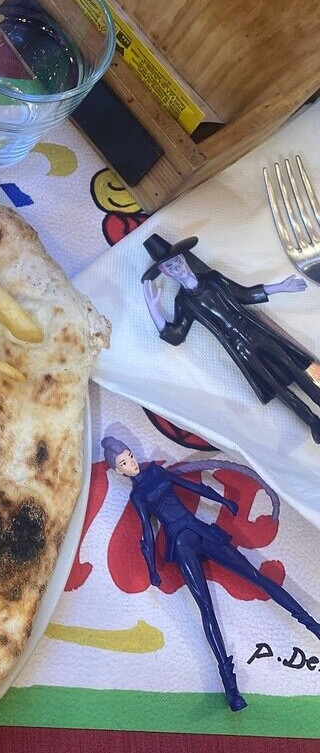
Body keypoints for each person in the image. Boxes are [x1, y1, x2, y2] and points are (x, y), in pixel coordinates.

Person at [102, 435, 320, 711]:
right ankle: (230, 686)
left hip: (200, 531)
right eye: (124, 463)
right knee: (206, 609)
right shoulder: (138, 496)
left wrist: (222, 501)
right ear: (119, 471)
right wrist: (152, 569)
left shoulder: (157, 472)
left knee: (254, 576)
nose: (131, 463)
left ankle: (313, 626)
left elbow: (190, 486)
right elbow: (147, 532)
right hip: (181, 547)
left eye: (130, 456)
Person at [141, 234, 320, 442]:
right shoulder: (183, 302)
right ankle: (312, 422)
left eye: (177, 262)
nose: (177, 269)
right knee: (276, 387)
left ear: (184, 258)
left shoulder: (213, 279)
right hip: (239, 347)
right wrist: (153, 308)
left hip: (257, 333)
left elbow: (244, 295)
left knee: (294, 369)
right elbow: (176, 335)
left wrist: (280, 287)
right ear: (165, 272)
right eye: (170, 268)